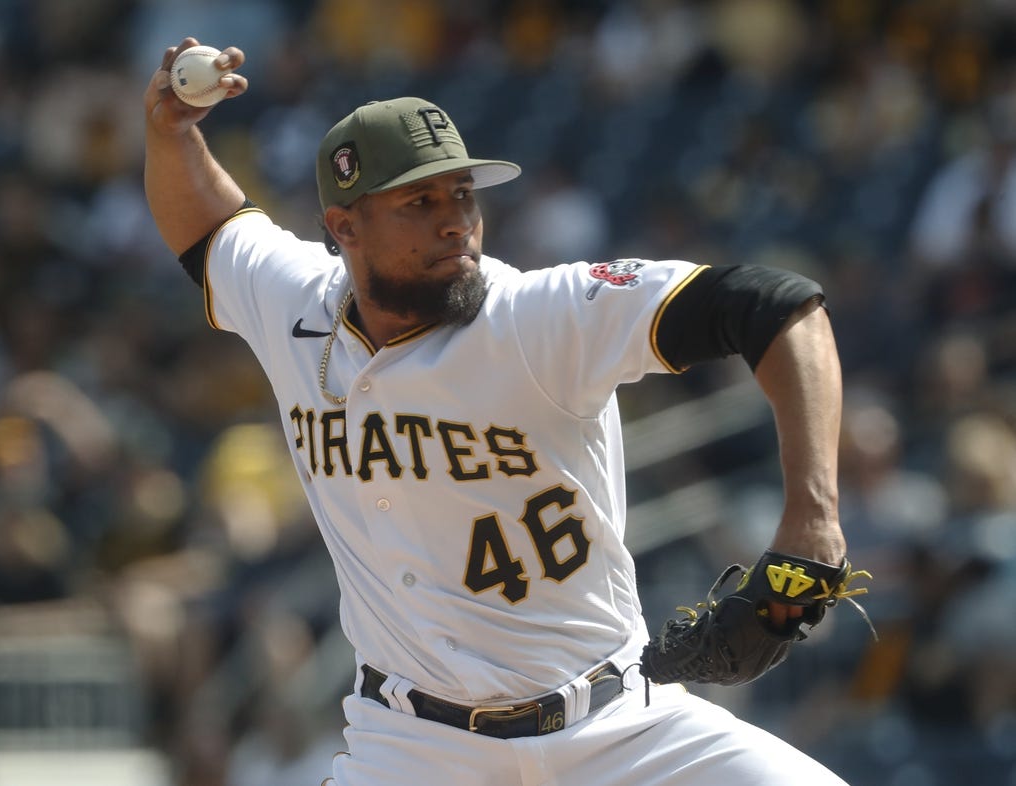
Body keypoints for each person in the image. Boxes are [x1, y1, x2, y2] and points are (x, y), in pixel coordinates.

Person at [144, 38, 853, 786]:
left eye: (464, 196)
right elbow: (212, 231)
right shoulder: (296, 306)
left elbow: (776, 305)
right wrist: (171, 132)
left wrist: (812, 522)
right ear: (344, 227)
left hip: (618, 730)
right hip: (413, 750)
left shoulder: (539, 316)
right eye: (421, 202)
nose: (457, 222)